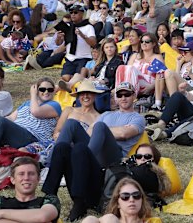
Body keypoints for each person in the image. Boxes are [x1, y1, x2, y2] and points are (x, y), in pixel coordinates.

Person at [42, 81, 145, 220]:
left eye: (127, 94)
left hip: (113, 157)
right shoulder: (107, 114)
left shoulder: (137, 118)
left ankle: (82, 175)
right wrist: (108, 131)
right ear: (115, 98)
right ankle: (50, 194)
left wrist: (104, 131)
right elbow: (90, 131)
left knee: (100, 127)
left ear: (134, 96)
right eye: (120, 95)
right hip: (95, 154)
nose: (123, 98)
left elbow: (124, 134)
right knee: (70, 131)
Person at [0, 77, 61, 150]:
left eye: (50, 90)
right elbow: (11, 118)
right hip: (15, 132)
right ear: (37, 90)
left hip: (32, 137)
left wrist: (33, 95)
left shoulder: (54, 105)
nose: (46, 92)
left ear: (54, 91)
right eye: (42, 89)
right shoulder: (27, 103)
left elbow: (36, 112)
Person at [0, 156, 60, 223]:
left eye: (31, 174)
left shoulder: (49, 200)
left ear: (38, 179)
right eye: (21, 174)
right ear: (12, 180)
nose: (26, 178)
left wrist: (1, 213)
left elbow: (43, 216)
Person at [115, 33, 166, 109]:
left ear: (154, 44)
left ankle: (131, 96)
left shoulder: (157, 57)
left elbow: (160, 76)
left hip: (148, 84)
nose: (144, 43)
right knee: (121, 67)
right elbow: (126, 71)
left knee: (131, 69)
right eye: (142, 41)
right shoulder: (135, 56)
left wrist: (151, 86)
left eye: (147, 41)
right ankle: (119, 96)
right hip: (132, 83)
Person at [81, 178, 154, 223]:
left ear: (142, 199)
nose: (131, 200)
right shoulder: (108, 220)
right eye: (125, 196)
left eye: (136, 195)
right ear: (117, 202)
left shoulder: (152, 222)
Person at [60, 3, 97, 83]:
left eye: (75, 12)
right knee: (65, 77)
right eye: (71, 12)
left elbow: (93, 43)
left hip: (83, 58)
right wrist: (58, 37)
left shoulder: (88, 27)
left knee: (78, 77)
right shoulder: (67, 26)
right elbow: (58, 43)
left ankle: (71, 83)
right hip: (70, 58)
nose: (73, 14)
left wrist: (82, 35)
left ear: (82, 14)